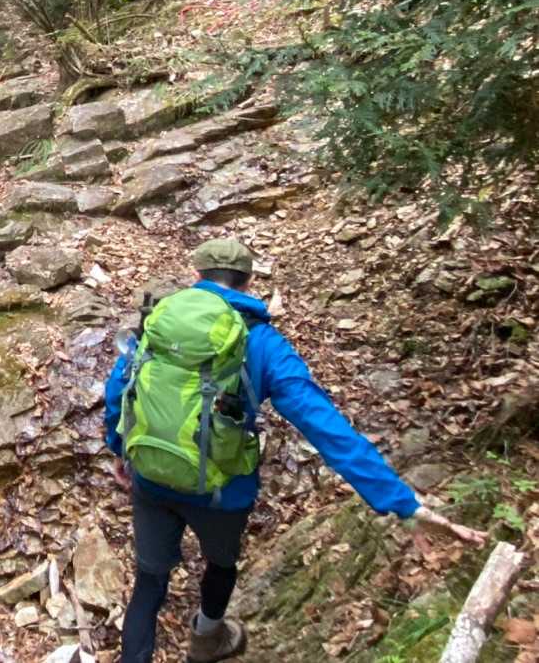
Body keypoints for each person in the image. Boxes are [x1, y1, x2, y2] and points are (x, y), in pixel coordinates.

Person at [104, 238, 487, 663]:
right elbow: (326, 427)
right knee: (221, 565)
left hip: (150, 475)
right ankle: (206, 641)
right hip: (222, 493)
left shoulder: (160, 321)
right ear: (248, 282)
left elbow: (122, 386)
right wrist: (401, 502)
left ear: (196, 275)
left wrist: (118, 449)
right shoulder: (263, 342)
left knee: (149, 581)